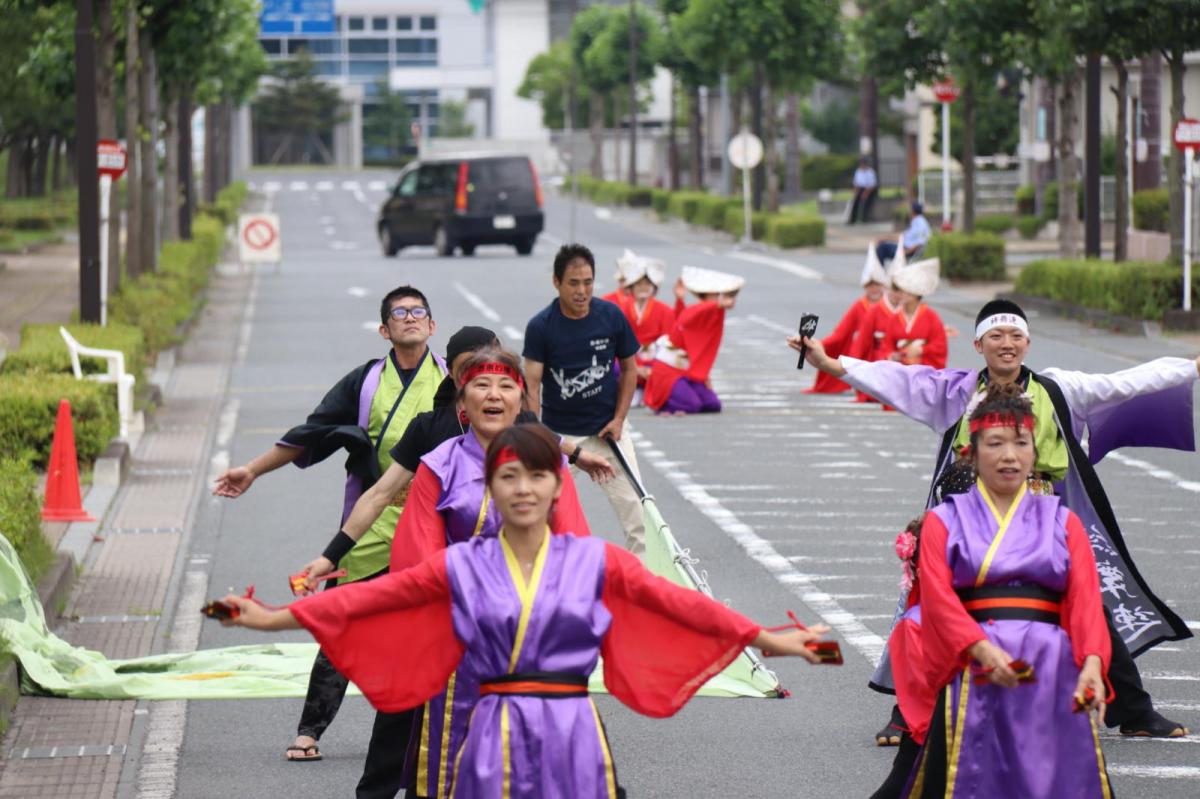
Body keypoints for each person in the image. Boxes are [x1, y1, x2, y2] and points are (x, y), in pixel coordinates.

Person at [220, 423, 833, 799]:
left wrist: (777, 642)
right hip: (492, 732)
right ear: (491, 486)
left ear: (556, 486)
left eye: (537, 476)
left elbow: (685, 608)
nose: (523, 488)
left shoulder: (597, 562)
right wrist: (268, 618)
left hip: (574, 735)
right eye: (508, 476)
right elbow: (367, 600)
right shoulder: (462, 566)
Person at [790, 298, 1200, 741]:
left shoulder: (1060, 389)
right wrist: (830, 364)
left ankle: (1134, 710)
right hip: (972, 520)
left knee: (1088, 603)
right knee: (941, 606)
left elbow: (1126, 382)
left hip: (1040, 518)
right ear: (978, 344)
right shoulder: (953, 392)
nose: (1007, 344)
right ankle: (907, 713)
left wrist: (1191, 367)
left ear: (1028, 342)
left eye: (1015, 336)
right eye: (996, 337)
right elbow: (895, 378)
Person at [301, 347, 594, 799]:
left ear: (522, 401)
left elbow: (572, 543)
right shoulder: (439, 465)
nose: (493, 395)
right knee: (441, 754)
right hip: (457, 631)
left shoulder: (548, 465)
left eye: (505, 386)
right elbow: (419, 556)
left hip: (531, 631)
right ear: (462, 403)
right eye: (481, 385)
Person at [212, 285, 446, 762]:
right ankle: (310, 729)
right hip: (368, 520)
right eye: (399, 313)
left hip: (429, 521)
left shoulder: (450, 382)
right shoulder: (364, 383)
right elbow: (312, 431)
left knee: (430, 627)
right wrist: (253, 470)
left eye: (418, 311)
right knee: (342, 622)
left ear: (432, 325)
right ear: (384, 330)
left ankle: (427, 733)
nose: (410, 318)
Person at [890, 384, 1112, 798]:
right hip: (974, 668)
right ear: (971, 453)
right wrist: (980, 648)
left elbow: (1085, 602)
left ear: (1035, 452)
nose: (1010, 455)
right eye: (995, 443)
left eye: (1021, 443)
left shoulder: (1064, 522)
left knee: (1057, 779)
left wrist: (1093, 665)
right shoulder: (942, 522)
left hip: (1052, 667)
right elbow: (938, 600)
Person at [523, 243, 647, 554]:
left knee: (637, 513)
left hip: (608, 433)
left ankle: (643, 583)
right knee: (540, 510)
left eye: (588, 282)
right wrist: (537, 437)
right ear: (557, 282)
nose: (582, 291)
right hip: (563, 438)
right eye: (574, 283)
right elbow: (532, 387)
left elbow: (630, 370)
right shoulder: (541, 327)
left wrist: (619, 420)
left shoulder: (611, 316)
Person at [643, 266, 744, 415]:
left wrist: (704, 375)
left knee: (712, 404)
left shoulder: (714, 312)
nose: (720, 298)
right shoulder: (697, 309)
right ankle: (664, 405)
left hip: (687, 370)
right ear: (707, 295)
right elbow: (685, 317)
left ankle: (681, 396)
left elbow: (699, 345)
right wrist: (716, 304)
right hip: (668, 370)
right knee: (692, 405)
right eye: (717, 295)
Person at [805, 244, 889, 394]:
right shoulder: (859, 306)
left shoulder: (890, 307)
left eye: (877, 285)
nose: (874, 289)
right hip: (864, 351)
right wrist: (815, 344)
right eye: (870, 285)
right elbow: (841, 333)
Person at [612, 255, 676, 405]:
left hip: (654, 362)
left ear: (654, 288)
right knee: (612, 367)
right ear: (631, 288)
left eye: (647, 284)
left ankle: (647, 392)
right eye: (639, 284)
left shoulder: (665, 310)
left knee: (668, 373)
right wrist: (637, 367)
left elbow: (669, 345)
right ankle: (634, 392)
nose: (643, 287)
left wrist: (652, 367)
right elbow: (615, 345)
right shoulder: (621, 311)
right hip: (630, 361)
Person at [878, 257, 947, 370]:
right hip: (901, 372)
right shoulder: (894, 318)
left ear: (915, 293)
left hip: (925, 371)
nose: (900, 294)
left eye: (904, 291)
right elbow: (887, 345)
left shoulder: (931, 317)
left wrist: (922, 349)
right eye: (900, 290)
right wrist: (891, 355)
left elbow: (940, 345)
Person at [849, 156, 879, 224]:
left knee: (866, 203)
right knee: (855, 202)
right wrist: (854, 192)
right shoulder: (858, 171)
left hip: (869, 190)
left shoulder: (870, 172)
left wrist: (866, 193)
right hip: (860, 189)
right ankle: (852, 219)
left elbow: (872, 184)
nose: (862, 165)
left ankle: (864, 219)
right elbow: (856, 183)